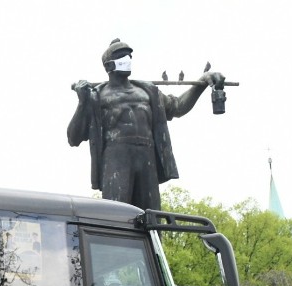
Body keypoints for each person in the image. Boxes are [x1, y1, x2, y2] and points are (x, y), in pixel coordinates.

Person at [67, 39, 225, 211]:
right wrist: (82, 102)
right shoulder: (97, 96)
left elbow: (178, 107)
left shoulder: (148, 91)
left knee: (151, 217)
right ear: (108, 65)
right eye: (121, 56)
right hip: (116, 157)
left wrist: (201, 83)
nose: (127, 58)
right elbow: (73, 138)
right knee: (117, 215)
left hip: (147, 156)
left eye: (129, 55)